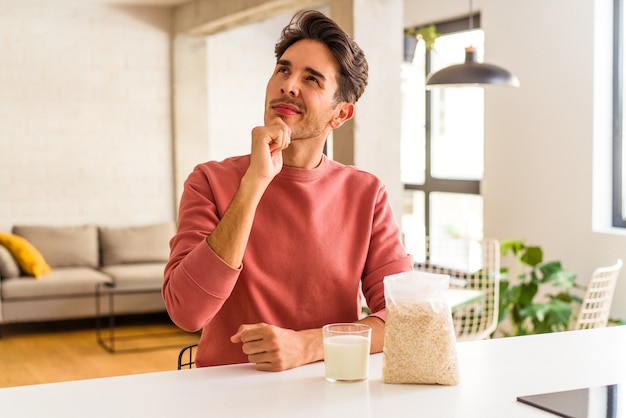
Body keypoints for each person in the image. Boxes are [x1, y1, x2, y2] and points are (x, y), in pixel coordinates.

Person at [163, 9, 412, 371]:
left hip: (329, 389)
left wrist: (308, 345)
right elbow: (187, 312)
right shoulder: (209, 182)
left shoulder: (366, 193)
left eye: (311, 79)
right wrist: (254, 182)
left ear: (340, 114)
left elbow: (405, 315)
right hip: (224, 397)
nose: (288, 84)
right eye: (283, 68)